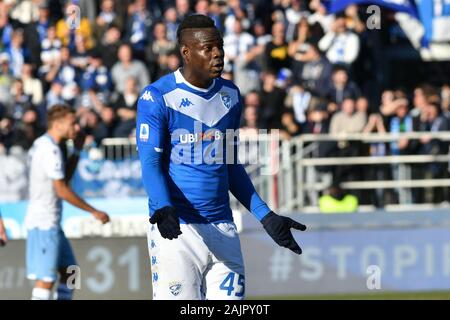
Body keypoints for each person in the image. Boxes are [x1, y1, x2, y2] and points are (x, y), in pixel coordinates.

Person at [136, 14, 307, 300]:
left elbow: (229, 163)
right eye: (208, 48)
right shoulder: (157, 97)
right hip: (179, 231)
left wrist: (265, 215)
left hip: (224, 227)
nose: (217, 54)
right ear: (186, 52)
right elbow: (150, 162)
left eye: (220, 47)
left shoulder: (231, 94)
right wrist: (162, 207)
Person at [25, 104, 110, 300]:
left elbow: (64, 179)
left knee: (72, 273)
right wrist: (94, 211)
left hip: (52, 223)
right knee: (45, 280)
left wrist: (77, 151)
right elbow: (62, 190)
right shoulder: (49, 149)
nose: (77, 128)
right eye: (73, 123)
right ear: (57, 124)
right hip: (43, 223)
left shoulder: (48, 145)